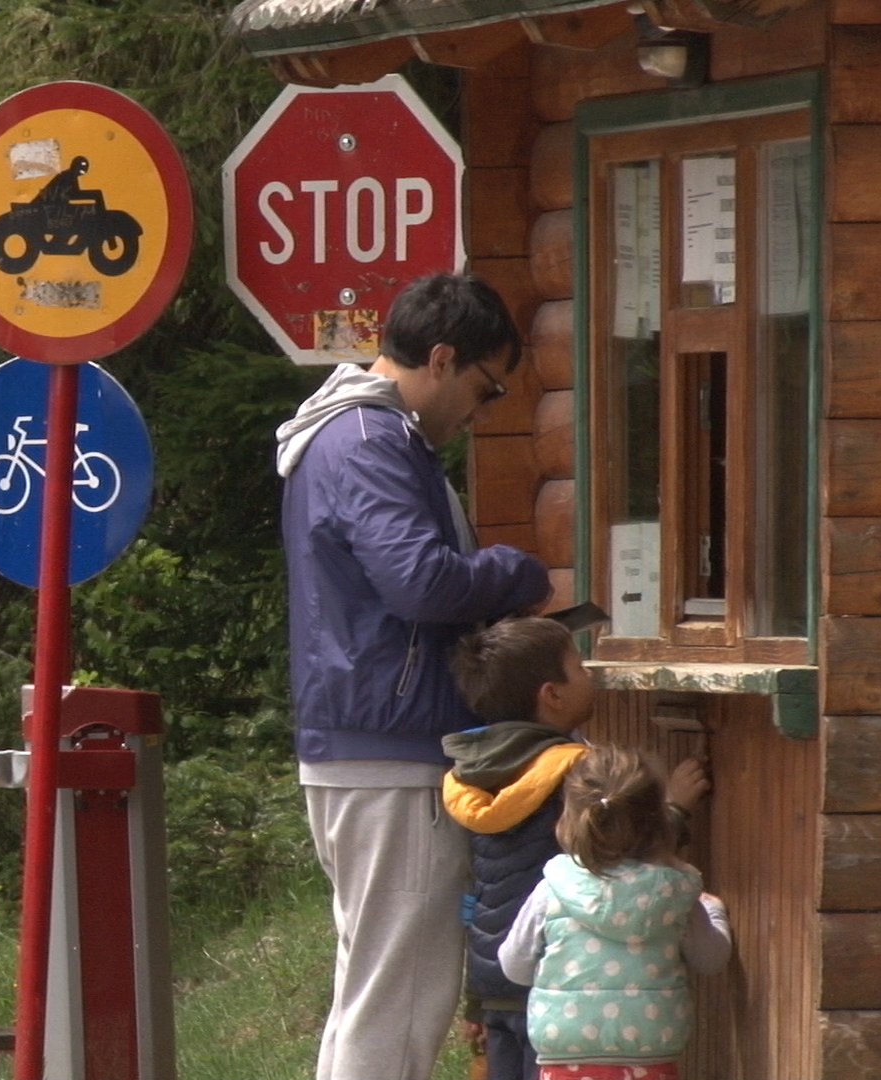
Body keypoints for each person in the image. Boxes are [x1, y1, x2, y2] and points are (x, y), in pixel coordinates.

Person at [273, 271, 550, 1080]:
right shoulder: (372, 442)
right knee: (400, 1006)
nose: (481, 410)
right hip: (392, 750)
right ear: (440, 357)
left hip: (363, 742)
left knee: (374, 994)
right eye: (485, 386)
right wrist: (516, 573)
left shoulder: (356, 438)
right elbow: (421, 583)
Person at [444, 619, 710, 1080]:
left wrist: (476, 999)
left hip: (497, 984)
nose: (590, 674)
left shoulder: (475, 775)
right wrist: (676, 812)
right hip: (555, 980)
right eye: (580, 666)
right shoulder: (578, 774)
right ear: (553, 694)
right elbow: (621, 847)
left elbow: (483, 893)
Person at [498, 745, 733, 1080]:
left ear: (571, 817)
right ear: (658, 821)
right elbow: (711, 959)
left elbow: (513, 967)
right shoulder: (672, 892)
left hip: (566, 1062)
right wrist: (714, 911)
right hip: (650, 1062)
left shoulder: (554, 888)